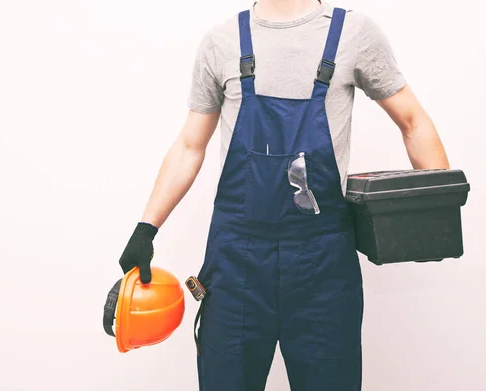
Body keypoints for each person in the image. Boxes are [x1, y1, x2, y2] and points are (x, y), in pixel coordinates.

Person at [117, 0, 449, 390]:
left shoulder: (354, 34)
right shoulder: (221, 41)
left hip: (323, 267)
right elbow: (191, 145)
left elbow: (413, 121)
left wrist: (437, 209)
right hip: (236, 264)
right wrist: (146, 228)